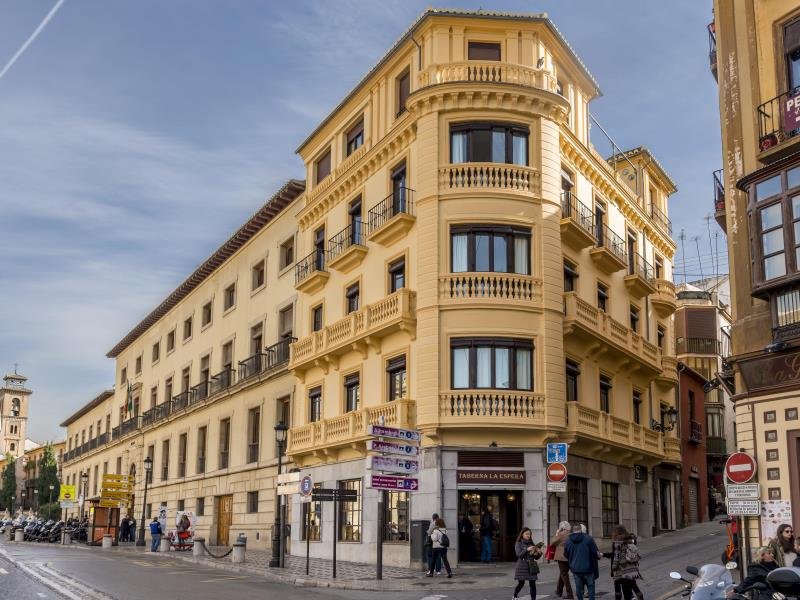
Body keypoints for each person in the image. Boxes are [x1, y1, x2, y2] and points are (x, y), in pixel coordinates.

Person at [602, 526, 641, 600]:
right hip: (632, 568)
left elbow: (616, 557)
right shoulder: (630, 541)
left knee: (619, 586)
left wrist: (613, 568)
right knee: (632, 586)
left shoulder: (617, 543)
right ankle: (639, 596)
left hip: (621, 570)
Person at [565, 524, 600, 600]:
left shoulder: (568, 541)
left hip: (575, 568)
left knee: (578, 588)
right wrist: (598, 556)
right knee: (590, 587)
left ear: (573, 530)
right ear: (580, 529)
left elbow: (565, 554)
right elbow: (595, 553)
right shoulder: (589, 539)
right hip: (588, 568)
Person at [513, 527, 543, 600]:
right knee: (521, 583)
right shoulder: (518, 543)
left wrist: (539, 553)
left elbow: (536, 557)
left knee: (532, 584)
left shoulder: (531, 543)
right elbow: (519, 555)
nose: (528, 535)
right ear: (522, 534)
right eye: (527, 534)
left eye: (529, 534)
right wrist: (526, 550)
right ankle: (515, 596)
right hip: (522, 566)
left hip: (531, 566)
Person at [550, 521, 574, 600]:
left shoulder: (561, 534)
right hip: (570, 556)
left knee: (564, 574)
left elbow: (552, 543)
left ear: (562, 527)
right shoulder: (571, 534)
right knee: (563, 573)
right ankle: (559, 591)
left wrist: (556, 534)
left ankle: (569, 594)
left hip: (561, 557)